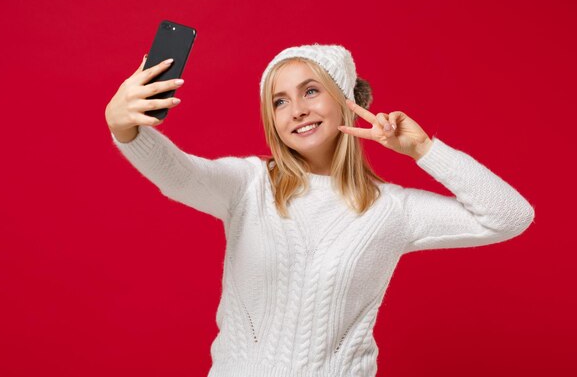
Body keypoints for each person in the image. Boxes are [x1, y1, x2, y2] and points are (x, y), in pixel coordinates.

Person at [105, 43, 535, 377]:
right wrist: (122, 125)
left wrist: (424, 149)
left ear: (346, 99)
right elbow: (177, 174)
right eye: (280, 101)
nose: (298, 110)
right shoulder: (249, 185)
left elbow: (510, 216)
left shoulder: (392, 209)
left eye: (311, 91)